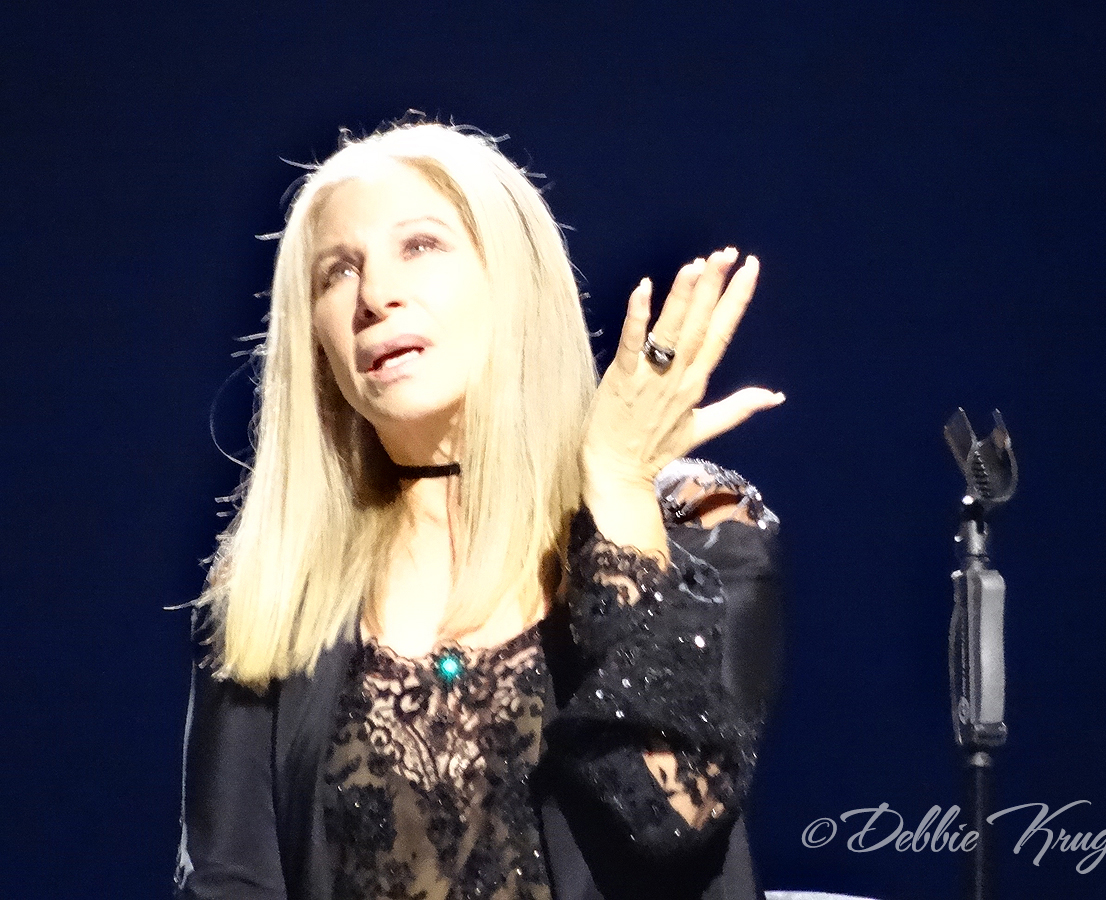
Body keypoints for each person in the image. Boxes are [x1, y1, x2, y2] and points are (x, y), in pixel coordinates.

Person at [174, 121, 785, 900]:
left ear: (513, 284)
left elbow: (672, 823)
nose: (375, 296)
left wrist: (619, 488)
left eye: (420, 245)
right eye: (337, 272)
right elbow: (229, 882)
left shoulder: (702, 527)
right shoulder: (272, 588)